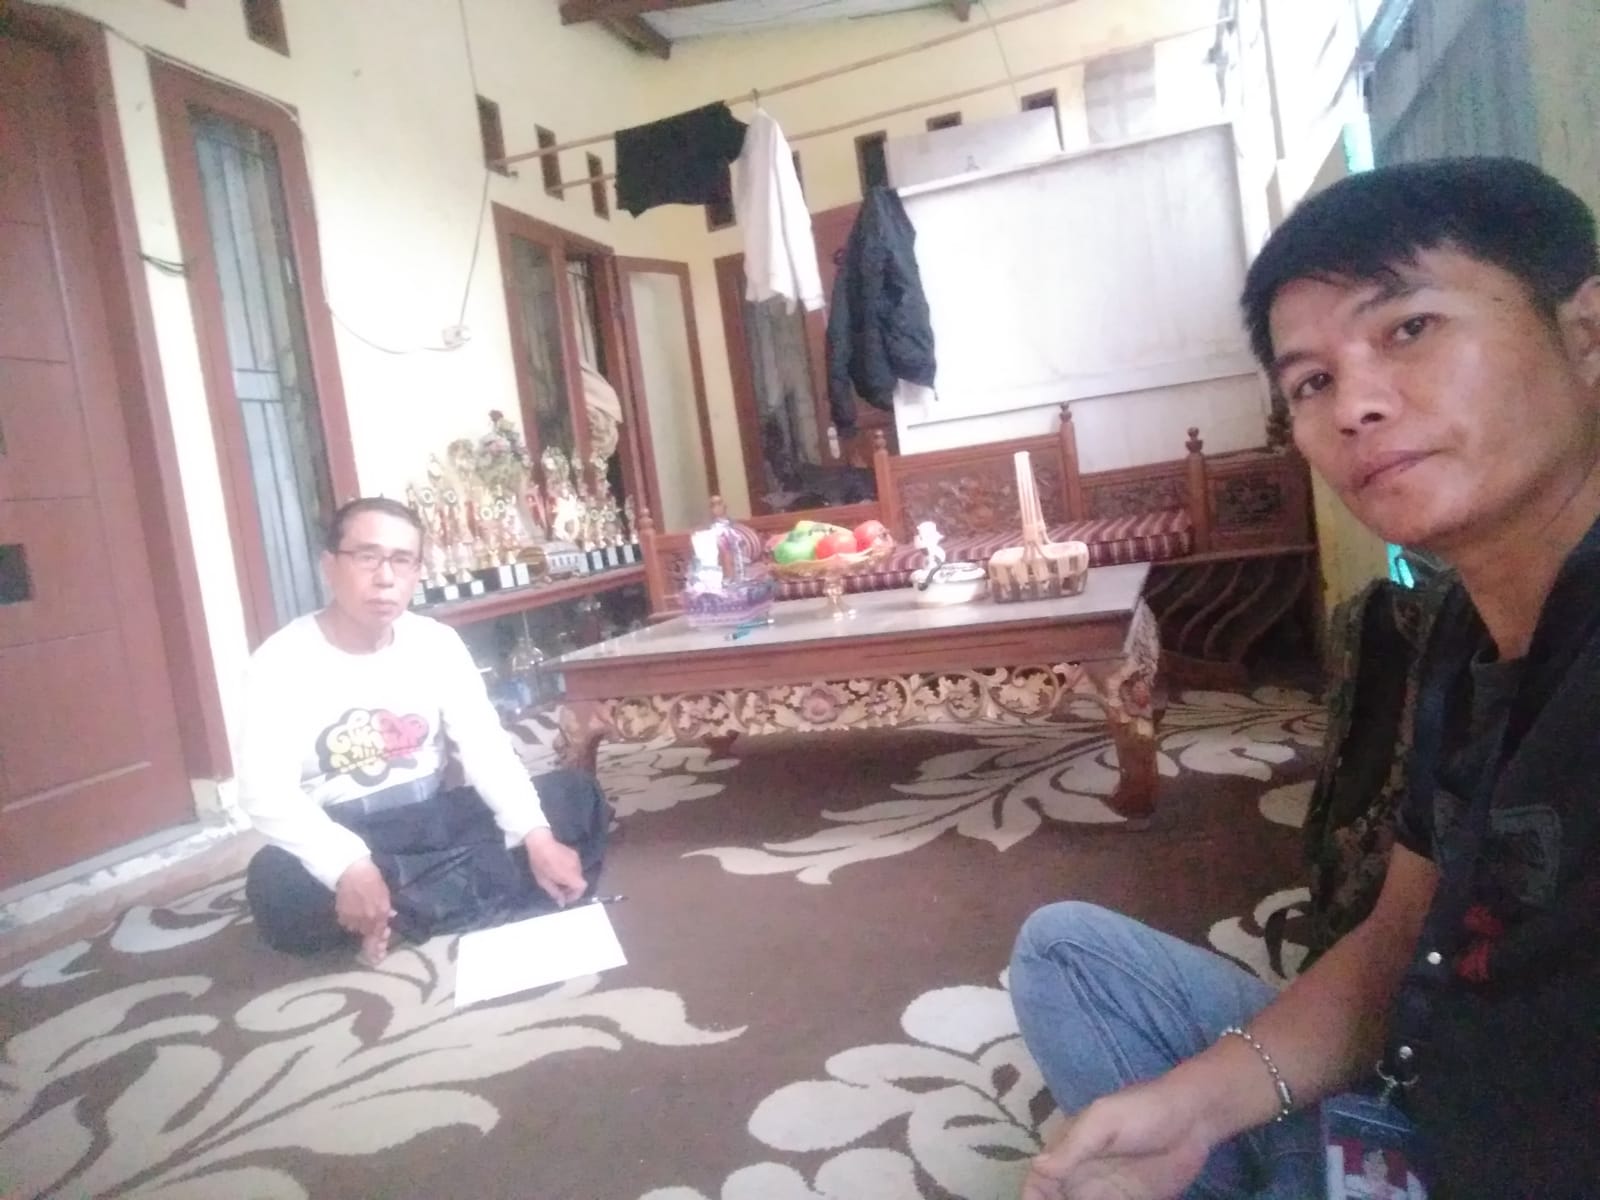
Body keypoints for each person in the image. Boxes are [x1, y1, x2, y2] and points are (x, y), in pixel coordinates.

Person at [1008, 157, 1600, 1199]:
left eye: (1409, 328)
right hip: (1413, 1107)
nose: (1355, 406)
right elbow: (1399, 938)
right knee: (1066, 956)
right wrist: (1196, 1105)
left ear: (1585, 334)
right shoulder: (1463, 630)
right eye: (1311, 382)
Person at [239, 497, 608, 965]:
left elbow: (486, 749)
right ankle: (448, 894)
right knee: (276, 884)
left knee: (576, 796)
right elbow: (264, 792)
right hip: (353, 829)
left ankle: (399, 911)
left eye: (402, 560)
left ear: (417, 572)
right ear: (329, 566)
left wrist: (534, 835)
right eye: (367, 557)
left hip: (435, 816)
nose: (385, 577)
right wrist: (347, 865)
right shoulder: (279, 663)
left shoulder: (436, 643)